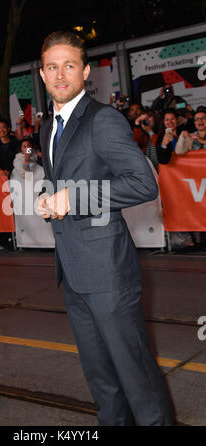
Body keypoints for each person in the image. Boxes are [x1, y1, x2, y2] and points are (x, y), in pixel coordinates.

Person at [37, 31, 173, 426]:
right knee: (103, 382)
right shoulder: (48, 127)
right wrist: (50, 200)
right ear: (43, 75)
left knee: (136, 378)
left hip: (110, 274)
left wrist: (72, 199)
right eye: (52, 67)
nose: (60, 75)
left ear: (85, 71)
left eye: (68, 65)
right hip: (73, 273)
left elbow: (143, 183)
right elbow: (64, 183)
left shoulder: (104, 119)